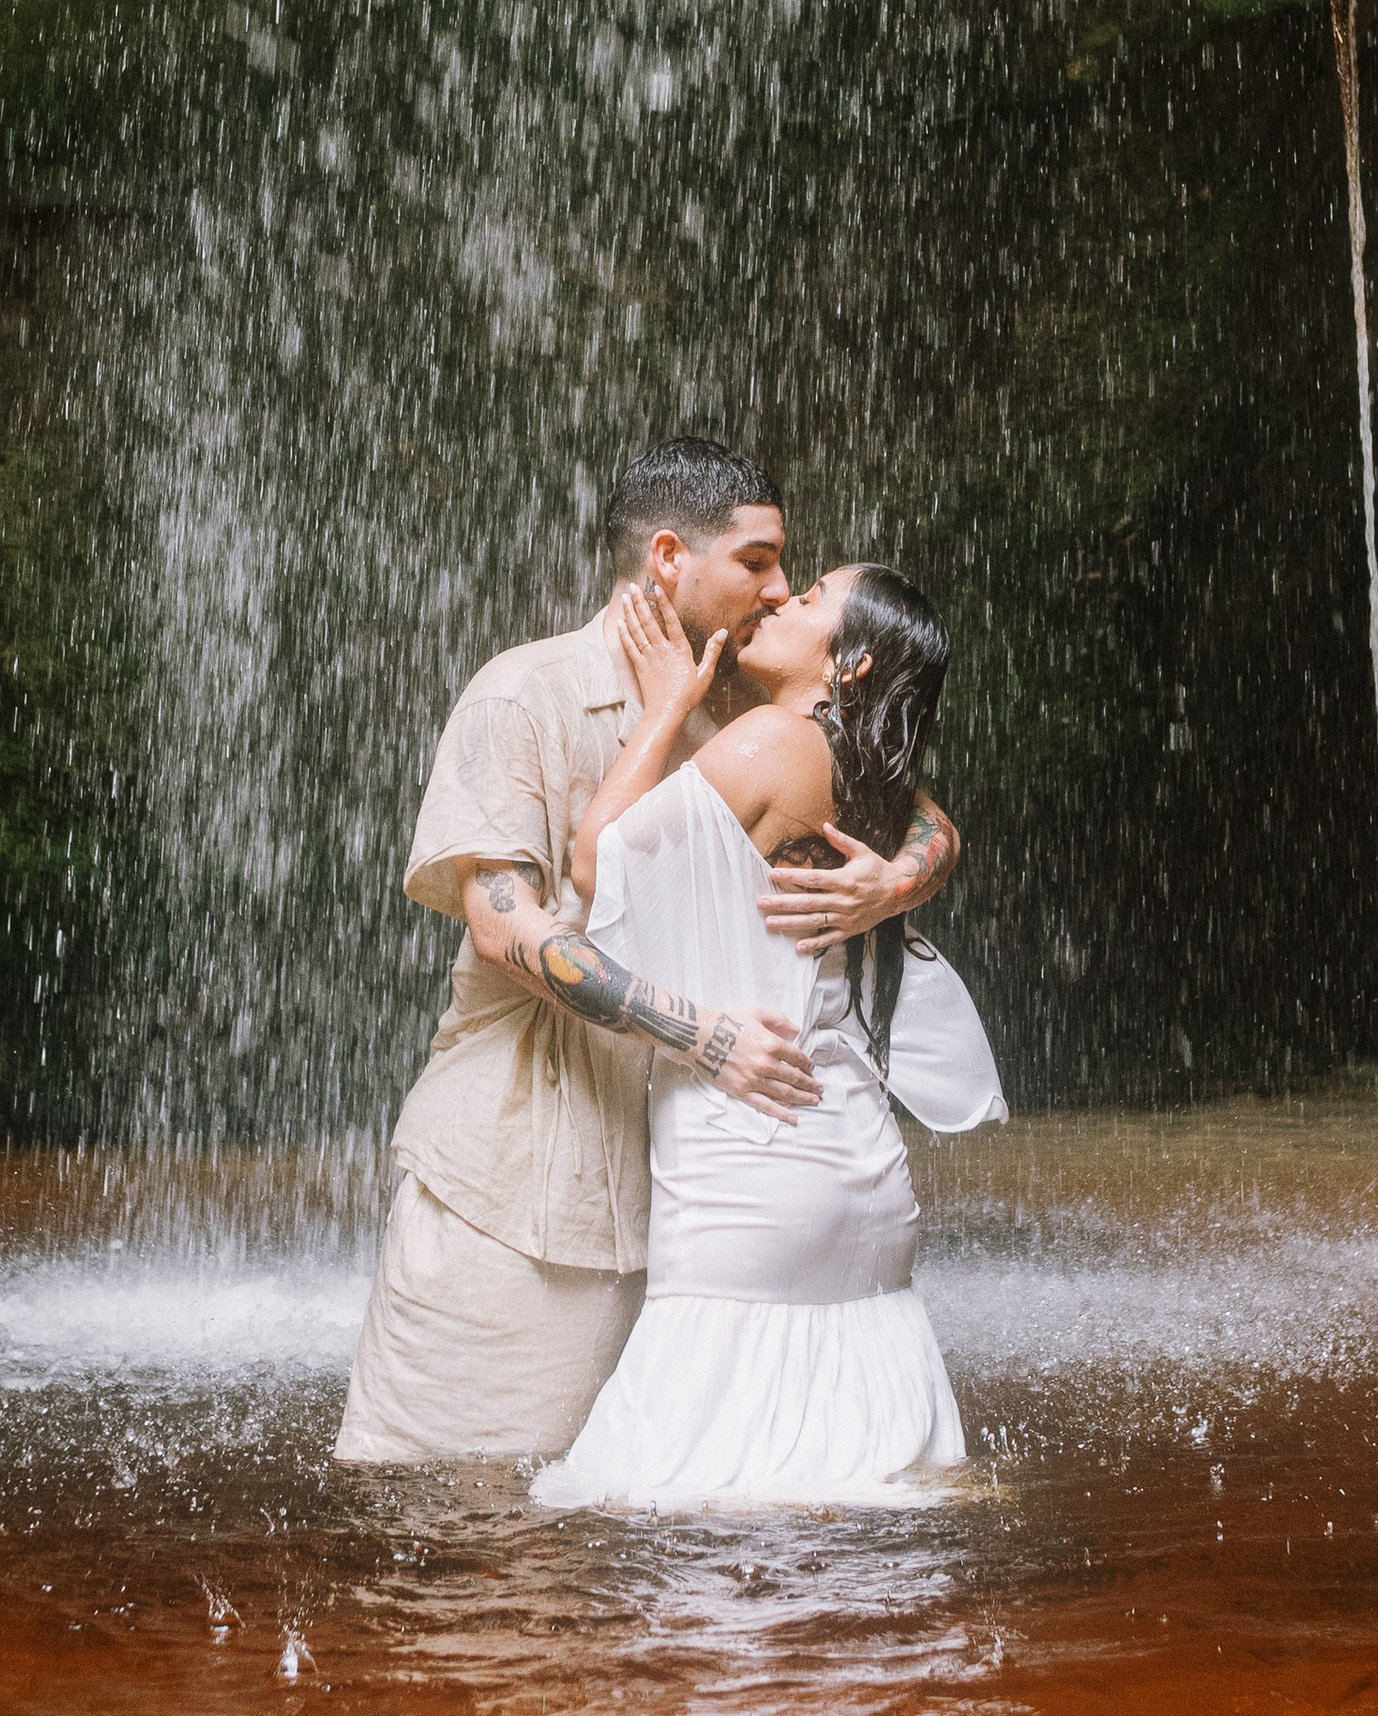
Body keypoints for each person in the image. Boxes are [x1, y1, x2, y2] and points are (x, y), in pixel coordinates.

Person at [332, 435, 962, 1465]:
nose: (780, 588)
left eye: (789, 572)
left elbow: (902, 784)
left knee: (647, 1529)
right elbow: (505, 926)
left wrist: (901, 876)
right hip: (528, 1203)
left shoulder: (749, 708)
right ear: (669, 558)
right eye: (757, 562)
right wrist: (704, 1035)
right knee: (461, 1517)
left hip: (698, 1204)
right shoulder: (521, 695)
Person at [527, 559, 1004, 1512]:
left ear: (851, 665)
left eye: (814, 597)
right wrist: (905, 876)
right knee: (850, 1491)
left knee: (689, 1502)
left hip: (754, 1143)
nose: (785, 597)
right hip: (856, 1157)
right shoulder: (875, 771)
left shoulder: (772, 741)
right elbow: (938, 826)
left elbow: (593, 866)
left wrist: (668, 702)